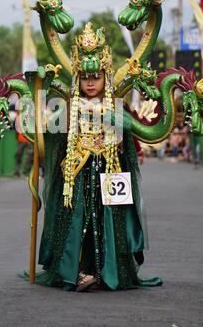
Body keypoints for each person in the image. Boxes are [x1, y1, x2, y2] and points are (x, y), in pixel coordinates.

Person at [33, 23, 163, 292]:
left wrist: (120, 122)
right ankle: (75, 272)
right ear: (78, 78)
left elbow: (131, 136)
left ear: (106, 75)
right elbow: (48, 135)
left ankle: (108, 271)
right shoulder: (69, 106)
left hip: (109, 171)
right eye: (85, 77)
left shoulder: (116, 105)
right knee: (76, 219)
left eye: (96, 77)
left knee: (108, 221)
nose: (90, 83)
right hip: (77, 173)